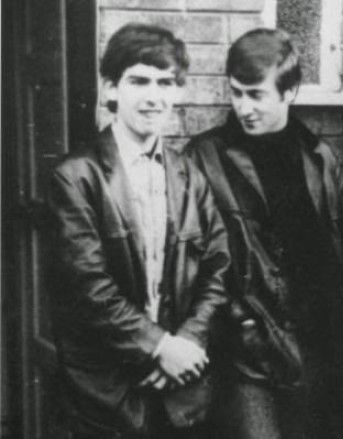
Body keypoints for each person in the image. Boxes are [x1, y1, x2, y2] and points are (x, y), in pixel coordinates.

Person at [47, 23, 231, 439]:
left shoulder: (190, 175)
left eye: (165, 83)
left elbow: (219, 266)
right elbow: (88, 287)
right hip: (108, 393)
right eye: (139, 81)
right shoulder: (75, 177)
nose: (153, 96)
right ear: (111, 88)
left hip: (181, 387)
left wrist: (187, 344)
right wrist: (159, 348)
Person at [186, 28, 343, 439]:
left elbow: (342, 251)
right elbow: (192, 262)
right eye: (236, 93)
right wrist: (240, 324)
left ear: (289, 91)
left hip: (315, 347)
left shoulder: (320, 158)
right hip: (246, 354)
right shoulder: (203, 157)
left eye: (256, 95)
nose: (244, 107)